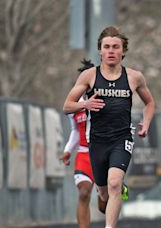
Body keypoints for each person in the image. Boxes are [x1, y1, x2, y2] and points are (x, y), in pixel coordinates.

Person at [63, 26, 155, 228]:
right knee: (104, 194)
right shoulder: (89, 76)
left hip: (121, 139)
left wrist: (145, 123)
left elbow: (150, 103)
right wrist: (85, 104)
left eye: (116, 47)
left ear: (123, 51)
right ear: (100, 51)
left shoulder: (134, 77)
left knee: (114, 183)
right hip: (97, 140)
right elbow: (67, 106)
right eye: (107, 47)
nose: (111, 51)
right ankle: (110, 191)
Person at [61, 59, 95, 228]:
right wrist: (68, 150)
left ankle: (118, 188)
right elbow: (75, 130)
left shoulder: (106, 99)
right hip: (84, 154)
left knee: (104, 204)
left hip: (104, 154)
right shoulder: (74, 103)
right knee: (83, 193)